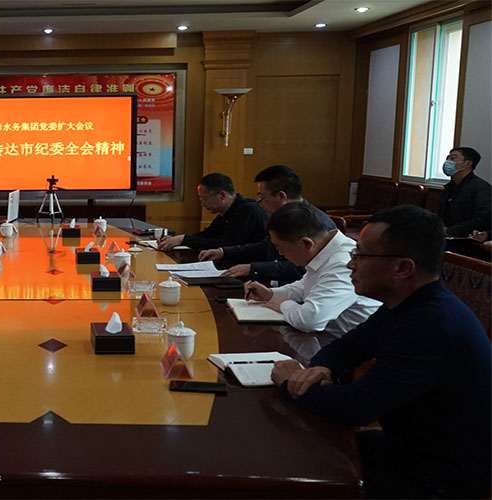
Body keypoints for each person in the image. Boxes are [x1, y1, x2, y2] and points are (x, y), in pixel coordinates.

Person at [270, 205, 490, 499]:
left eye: (360, 255)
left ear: (402, 268)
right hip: (409, 447)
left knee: (294, 478)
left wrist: (289, 382)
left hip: (439, 477)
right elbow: (349, 345)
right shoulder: (408, 302)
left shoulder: (431, 325)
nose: (350, 264)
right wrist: (322, 367)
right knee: (295, 449)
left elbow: (356, 407)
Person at [242, 202, 381, 343]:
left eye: (280, 247)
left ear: (307, 243)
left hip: (356, 348)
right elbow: (305, 286)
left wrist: (283, 304)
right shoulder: (325, 249)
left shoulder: (343, 263)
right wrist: (271, 294)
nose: (280, 253)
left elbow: (311, 320)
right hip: (330, 340)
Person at [198, 165, 336, 285]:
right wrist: (223, 252)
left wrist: (253, 268)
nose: (259, 204)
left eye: (262, 198)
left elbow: (301, 269)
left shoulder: (316, 223)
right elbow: (266, 246)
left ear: (281, 196)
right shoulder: (287, 216)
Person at [158, 173, 267, 251]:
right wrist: (177, 239)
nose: (202, 204)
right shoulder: (226, 211)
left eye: (204, 199)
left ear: (222, 195)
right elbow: (208, 234)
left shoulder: (247, 210)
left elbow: (225, 244)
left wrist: (184, 239)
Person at [437, 146, 491, 237]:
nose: (447, 162)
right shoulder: (450, 187)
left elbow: (483, 220)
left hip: (465, 239)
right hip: (444, 236)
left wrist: (450, 231)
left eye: (453, 158)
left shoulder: (481, 188)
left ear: (468, 163)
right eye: (447, 158)